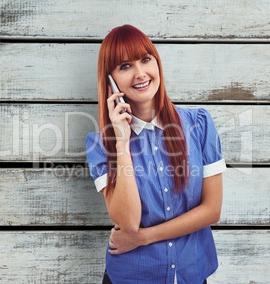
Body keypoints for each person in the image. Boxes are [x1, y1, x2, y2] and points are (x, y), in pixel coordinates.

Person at [85, 25, 226, 284]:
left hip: (191, 274)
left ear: (157, 63)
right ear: (110, 81)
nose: (140, 73)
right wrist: (122, 144)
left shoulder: (199, 124)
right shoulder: (101, 144)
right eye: (125, 66)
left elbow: (211, 210)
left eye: (145, 59)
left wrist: (143, 237)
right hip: (131, 277)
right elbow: (128, 222)